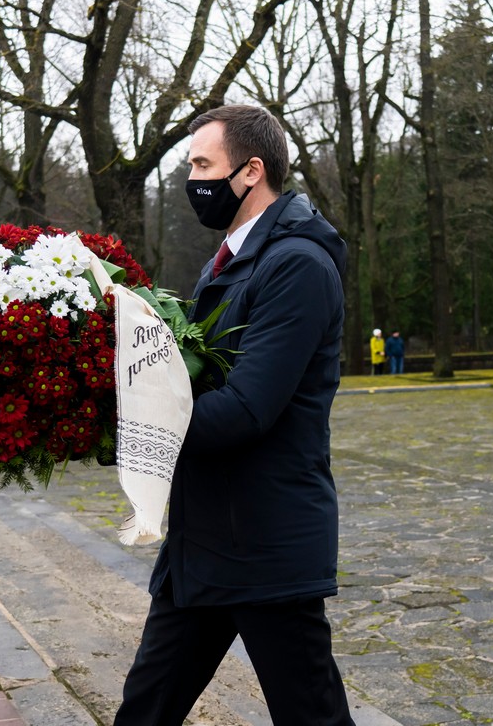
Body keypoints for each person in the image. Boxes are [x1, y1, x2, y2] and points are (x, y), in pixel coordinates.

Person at [114, 105, 354, 726]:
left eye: (202, 165)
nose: (191, 180)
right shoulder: (228, 259)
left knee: (312, 718)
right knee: (144, 711)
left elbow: (247, 409)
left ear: (251, 171)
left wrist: (125, 428)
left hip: (266, 543)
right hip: (204, 541)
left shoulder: (297, 265)